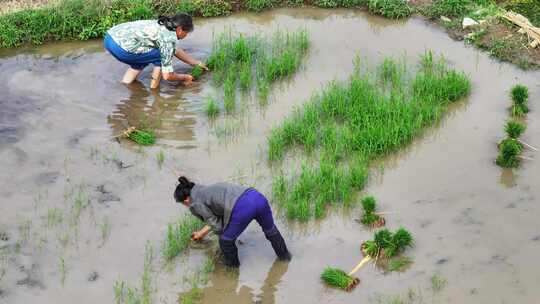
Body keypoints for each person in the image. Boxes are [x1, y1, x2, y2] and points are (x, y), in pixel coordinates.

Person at [174, 176, 291, 267]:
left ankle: (233, 270)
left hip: (243, 208)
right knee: (271, 232)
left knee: (225, 241)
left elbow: (217, 226)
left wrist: (223, 240)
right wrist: (201, 233)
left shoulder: (195, 203)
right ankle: (285, 259)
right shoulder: (205, 190)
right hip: (256, 196)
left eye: (183, 204)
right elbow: (218, 217)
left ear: (186, 200)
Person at [103, 13, 208, 89]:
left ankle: (126, 85)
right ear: (180, 29)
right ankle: (154, 90)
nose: (186, 36)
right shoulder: (168, 40)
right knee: (159, 55)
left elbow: (175, 50)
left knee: (142, 59)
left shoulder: (165, 24)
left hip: (109, 38)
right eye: (186, 32)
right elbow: (167, 76)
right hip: (121, 48)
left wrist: (195, 63)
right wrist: (185, 77)